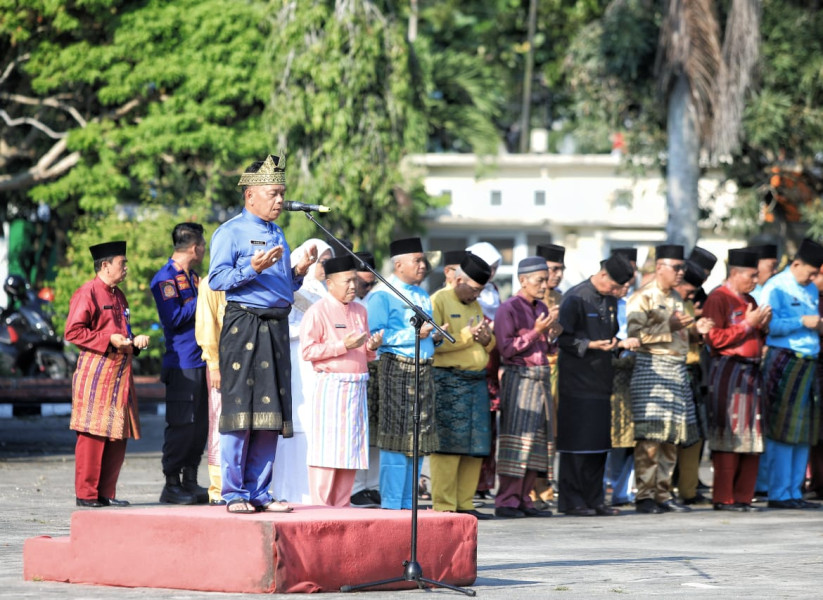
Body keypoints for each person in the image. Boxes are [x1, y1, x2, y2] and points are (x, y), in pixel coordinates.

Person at [208, 153, 316, 514]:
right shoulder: (230, 232)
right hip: (245, 325)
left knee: (270, 413)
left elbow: (282, 285)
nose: (281, 201)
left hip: (276, 326)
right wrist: (250, 268)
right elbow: (218, 280)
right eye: (274, 193)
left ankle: (260, 491)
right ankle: (234, 491)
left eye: (283, 193)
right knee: (241, 411)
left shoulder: (278, 233)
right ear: (250, 194)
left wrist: (297, 271)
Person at [627, 244, 713, 514]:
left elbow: (682, 334)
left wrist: (697, 330)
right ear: (659, 268)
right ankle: (644, 495)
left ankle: (663, 493)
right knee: (650, 437)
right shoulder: (642, 297)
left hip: (676, 369)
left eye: (682, 268)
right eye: (676, 268)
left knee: (670, 438)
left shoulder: (677, 297)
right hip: (651, 368)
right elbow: (635, 337)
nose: (680, 273)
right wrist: (670, 326)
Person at [65, 241, 150, 507]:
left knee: (117, 434)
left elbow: (122, 332)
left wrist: (134, 341)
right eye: (121, 263)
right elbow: (73, 332)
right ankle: (86, 495)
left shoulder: (119, 295)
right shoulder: (87, 293)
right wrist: (108, 339)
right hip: (96, 375)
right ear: (105, 265)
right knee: (92, 433)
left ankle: (105, 493)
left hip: (119, 377)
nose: (126, 267)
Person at [299, 255, 383, 506]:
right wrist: (341, 346)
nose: (352, 287)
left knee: (351, 451)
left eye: (355, 281)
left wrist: (371, 347)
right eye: (347, 281)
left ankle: (342, 506)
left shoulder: (360, 310)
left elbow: (365, 354)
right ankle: (321, 508)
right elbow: (308, 352)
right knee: (327, 451)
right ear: (330, 282)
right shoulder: (317, 311)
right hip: (331, 388)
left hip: (357, 387)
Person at [556, 253, 637, 516]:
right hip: (576, 382)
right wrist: (589, 345)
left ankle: (595, 499)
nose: (617, 292)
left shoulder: (610, 300)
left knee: (599, 444)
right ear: (603, 275)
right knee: (577, 445)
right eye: (614, 286)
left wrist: (619, 344)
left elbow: (610, 335)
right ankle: (572, 501)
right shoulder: (575, 297)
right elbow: (562, 339)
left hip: (602, 381)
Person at [366, 237, 440, 510]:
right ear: (399, 264)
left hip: (423, 370)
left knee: (418, 438)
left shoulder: (421, 294)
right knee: (397, 438)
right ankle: (392, 503)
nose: (423, 265)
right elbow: (376, 335)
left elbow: (425, 335)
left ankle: (409, 504)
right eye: (417, 260)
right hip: (397, 370)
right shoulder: (383, 294)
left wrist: (435, 338)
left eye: (423, 260)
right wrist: (414, 334)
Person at [702, 248, 771, 511]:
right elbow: (714, 339)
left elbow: (756, 337)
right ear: (735, 273)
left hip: (752, 373)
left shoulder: (750, 299)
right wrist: (747, 325)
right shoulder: (718, 299)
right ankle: (723, 497)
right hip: (729, 372)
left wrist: (762, 327)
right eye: (751, 275)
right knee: (729, 437)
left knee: (753, 438)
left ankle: (744, 496)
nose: (755, 280)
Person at [493, 256, 561, 518]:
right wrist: (535, 331)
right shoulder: (507, 308)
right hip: (519, 379)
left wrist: (551, 334)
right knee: (517, 441)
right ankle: (506, 500)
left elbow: (548, 349)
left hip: (541, 379)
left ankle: (525, 499)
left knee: (537, 443)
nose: (545, 285)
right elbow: (507, 349)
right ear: (523, 280)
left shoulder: (542, 307)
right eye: (540, 280)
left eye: (546, 279)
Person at [430, 253, 495, 520]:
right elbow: (436, 344)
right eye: (475, 289)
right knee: (448, 446)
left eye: (482, 291)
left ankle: (465, 503)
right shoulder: (439, 300)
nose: (478, 296)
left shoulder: (474, 305)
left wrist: (487, 337)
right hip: (449, 381)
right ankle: (444, 505)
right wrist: (470, 336)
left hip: (476, 382)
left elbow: (488, 344)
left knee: (475, 446)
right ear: (458, 279)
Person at [759, 237, 823, 509]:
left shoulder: (809, 289)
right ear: (796, 264)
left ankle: (794, 491)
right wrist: (801, 321)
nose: (813, 278)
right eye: (810, 272)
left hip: (809, 361)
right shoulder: (776, 287)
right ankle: (779, 493)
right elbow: (768, 326)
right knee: (783, 428)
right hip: (785, 359)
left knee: (805, 430)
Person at [150, 222, 209, 505]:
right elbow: (172, 319)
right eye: (203, 245)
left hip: (201, 360)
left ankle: (190, 480)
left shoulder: (195, 277)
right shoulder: (165, 279)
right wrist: (204, 298)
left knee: (200, 426)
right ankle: (171, 483)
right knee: (182, 424)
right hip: (181, 361)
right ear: (195, 247)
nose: (204, 250)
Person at [270, 238, 332, 505]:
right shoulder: (292, 290)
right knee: (295, 423)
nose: (326, 267)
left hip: (318, 365)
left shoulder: (326, 292)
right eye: (323, 261)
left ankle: (314, 492)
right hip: (295, 361)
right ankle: (288, 491)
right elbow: (285, 327)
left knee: (315, 424)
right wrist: (310, 332)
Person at [464, 241, 504, 500]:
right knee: (471, 428)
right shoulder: (464, 292)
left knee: (489, 429)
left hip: (492, 359)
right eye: (488, 267)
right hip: (472, 363)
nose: (491, 273)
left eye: (494, 267)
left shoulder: (494, 291)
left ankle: (484, 484)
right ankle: (468, 485)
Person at [671, 260, 713, 507]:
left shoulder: (688, 304)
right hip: (673, 369)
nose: (691, 296)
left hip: (693, 371)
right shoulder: (666, 303)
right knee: (669, 435)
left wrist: (699, 331)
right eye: (688, 290)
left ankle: (688, 489)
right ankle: (663, 490)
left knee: (694, 435)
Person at [533, 242, 566, 506]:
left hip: (557, 370)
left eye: (560, 269)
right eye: (551, 270)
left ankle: (546, 489)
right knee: (534, 432)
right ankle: (531, 490)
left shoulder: (562, 298)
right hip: (532, 370)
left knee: (552, 433)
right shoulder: (528, 299)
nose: (556, 276)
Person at [350, 250, 382, 508]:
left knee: (375, 433)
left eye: (371, 283)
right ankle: (356, 487)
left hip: (378, 369)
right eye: (361, 283)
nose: (365, 288)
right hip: (352, 371)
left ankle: (372, 486)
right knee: (358, 432)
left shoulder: (380, 297)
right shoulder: (346, 305)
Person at [194, 272, 227, 505]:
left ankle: (241, 483)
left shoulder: (249, 275)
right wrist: (214, 365)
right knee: (219, 423)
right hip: (220, 362)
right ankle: (218, 488)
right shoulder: (211, 282)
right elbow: (207, 327)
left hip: (247, 362)